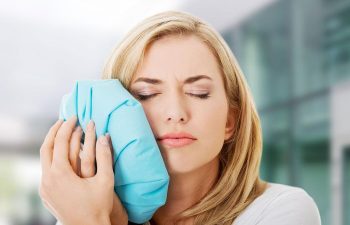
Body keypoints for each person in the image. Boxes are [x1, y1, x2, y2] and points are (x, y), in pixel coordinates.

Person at [39, 11, 321, 225]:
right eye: (147, 94)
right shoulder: (84, 213)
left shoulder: (282, 210)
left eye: (198, 93)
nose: (175, 113)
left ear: (230, 122)